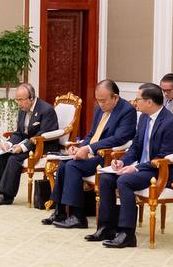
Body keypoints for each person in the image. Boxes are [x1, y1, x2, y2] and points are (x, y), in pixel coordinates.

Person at [91, 83, 173, 248]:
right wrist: (123, 161)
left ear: (149, 102)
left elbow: (165, 157)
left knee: (124, 180)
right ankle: (106, 228)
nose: (135, 102)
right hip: (143, 166)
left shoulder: (170, 123)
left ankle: (127, 234)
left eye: (138, 99)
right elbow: (135, 147)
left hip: (160, 170)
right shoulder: (143, 118)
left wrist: (136, 168)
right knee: (106, 178)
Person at [45, 80, 136, 229]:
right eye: (98, 100)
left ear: (115, 97)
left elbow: (119, 138)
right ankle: (60, 211)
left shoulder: (127, 111)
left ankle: (78, 217)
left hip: (107, 156)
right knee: (64, 164)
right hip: (92, 152)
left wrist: (88, 149)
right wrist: (79, 147)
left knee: (72, 166)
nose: (100, 104)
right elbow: (92, 134)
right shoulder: (99, 109)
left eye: (103, 100)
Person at [0, 83, 57, 206]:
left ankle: (7, 196)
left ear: (31, 98)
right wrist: (9, 144)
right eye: (17, 100)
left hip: (43, 146)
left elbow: (42, 134)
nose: (18, 103)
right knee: (4, 155)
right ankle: (0, 191)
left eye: (21, 100)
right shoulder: (23, 109)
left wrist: (23, 147)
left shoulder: (46, 110)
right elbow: (19, 133)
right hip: (29, 143)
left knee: (14, 159)